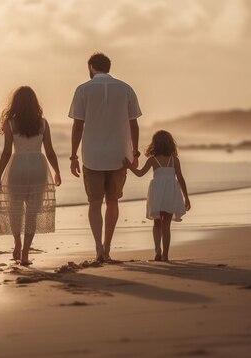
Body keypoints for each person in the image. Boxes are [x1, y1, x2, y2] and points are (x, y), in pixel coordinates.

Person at [68, 52, 142, 262]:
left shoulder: (83, 89)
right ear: (108, 67)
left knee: (94, 203)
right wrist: (135, 152)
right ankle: (108, 246)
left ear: (91, 67)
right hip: (120, 155)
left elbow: (78, 125)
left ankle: (98, 247)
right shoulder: (126, 88)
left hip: (93, 155)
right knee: (112, 201)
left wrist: (73, 156)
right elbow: (133, 123)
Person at [0, 86, 61, 266]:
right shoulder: (43, 123)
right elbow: (50, 152)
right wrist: (57, 172)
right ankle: (24, 254)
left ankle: (17, 242)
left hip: (17, 167)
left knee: (15, 209)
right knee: (32, 212)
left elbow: (7, 152)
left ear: (15, 103)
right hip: (38, 167)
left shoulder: (10, 123)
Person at [123, 130, 191, 261]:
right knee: (166, 225)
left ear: (155, 144)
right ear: (171, 144)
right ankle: (165, 254)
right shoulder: (174, 160)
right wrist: (186, 197)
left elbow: (140, 173)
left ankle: (157, 251)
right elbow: (181, 179)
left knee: (157, 224)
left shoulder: (153, 160)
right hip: (171, 192)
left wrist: (129, 166)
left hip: (157, 193)